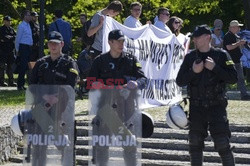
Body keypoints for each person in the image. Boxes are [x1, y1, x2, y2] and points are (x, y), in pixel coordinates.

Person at [176, 25, 237, 166]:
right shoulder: (190, 57)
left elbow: (233, 78)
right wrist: (193, 71)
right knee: (195, 143)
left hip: (217, 106)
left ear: (207, 37)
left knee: (222, 143)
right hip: (197, 107)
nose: (194, 40)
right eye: (194, 37)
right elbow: (180, 81)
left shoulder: (221, 55)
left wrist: (215, 68)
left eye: (197, 37)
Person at [87, 29, 146, 165]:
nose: (121, 44)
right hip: (106, 110)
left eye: (123, 41)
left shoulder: (130, 59)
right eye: (118, 41)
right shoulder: (100, 61)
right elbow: (88, 83)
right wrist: (95, 84)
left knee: (129, 144)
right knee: (102, 146)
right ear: (110, 42)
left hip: (126, 110)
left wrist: (136, 83)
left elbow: (143, 79)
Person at [223, 20, 250, 100]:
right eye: (238, 27)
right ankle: (223, 94)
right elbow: (228, 47)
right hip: (230, 61)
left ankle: (244, 95)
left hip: (237, 60)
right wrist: (239, 43)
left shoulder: (236, 36)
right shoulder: (228, 36)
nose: (239, 28)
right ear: (233, 27)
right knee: (227, 78)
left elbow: (244, 44)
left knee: (241, 78)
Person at [15, 10, 33, 90]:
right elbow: (18, 38)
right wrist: (17, 49)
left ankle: (23, 83)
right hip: (23, 47)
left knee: (26, 66)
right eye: (28, 15)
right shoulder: (21, 26)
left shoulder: (29, 25)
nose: (30, 17)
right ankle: (19, 84)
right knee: (22, 66)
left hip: (28, 47)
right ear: (25, 16)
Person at [0, 16, 16, 87]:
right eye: (8, 21)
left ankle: (11, 82)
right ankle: (1, 82)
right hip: (3, 51)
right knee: (2, 66)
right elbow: (4, 38)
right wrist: (10, 38)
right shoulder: (1, 29)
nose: (9, 22)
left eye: (10, 21)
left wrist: (9, 38)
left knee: (10, 67)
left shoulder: (11, 29)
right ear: (4, 21)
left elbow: (15, 37)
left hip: (11, 50)